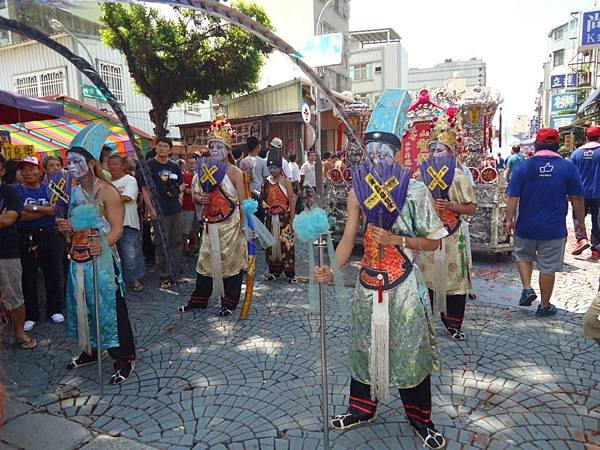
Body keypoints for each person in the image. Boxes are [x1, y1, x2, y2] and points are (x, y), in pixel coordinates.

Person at [314, 93, 448, 448]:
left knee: (410, 351)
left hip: (403, 286)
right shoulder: (358, 191)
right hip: (367, 282)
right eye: (370, 153)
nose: (376, 159)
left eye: (383, 153)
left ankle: (421, 420)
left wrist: (397, 239)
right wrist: (332, 268)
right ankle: (362, 408)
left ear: (398, 153)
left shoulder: (416, 191)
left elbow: (435, 243)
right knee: (363, 347)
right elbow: (347, 240)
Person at [57, 123, 136, 384]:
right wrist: (68, 228)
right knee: (84, 305)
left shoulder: (108, 191)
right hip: (78, 258)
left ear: (90, 164)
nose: (70, 166)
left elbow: (117, 230)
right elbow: (76, 225)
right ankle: (90, 349)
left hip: (102, 260)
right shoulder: (75, 191)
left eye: (76, 161)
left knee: (111, 307)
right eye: (68, 161)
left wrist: (102, 244)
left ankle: (123, 358)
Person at [505, 128, 587, 317]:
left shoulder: (523, 167)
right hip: (554, 227)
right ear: (557, 145)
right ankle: (544, 305)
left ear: (536, 144)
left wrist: (509, 220)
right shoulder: (567, 167)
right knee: (548, 267)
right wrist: (580, 222)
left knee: (523, 256)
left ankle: (526, 288)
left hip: (526, 225)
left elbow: (512, 197)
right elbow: (576, 197)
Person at [178, 117, 247, 317]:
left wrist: (244, 227)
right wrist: (201, 198)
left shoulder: (235, 172)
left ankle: (229, 301)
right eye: (212, 146)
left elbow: (242, 202)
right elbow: (196, 194)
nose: (215, 150)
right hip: (210, 224)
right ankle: (200, 299)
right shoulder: (204, 170)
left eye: (219, 146)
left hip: (231, 224)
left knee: (231, 263)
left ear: (227, 148)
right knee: (205, 262)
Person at [418, 111, 477, 341]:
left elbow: (471, 207)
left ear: (451, 152)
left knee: (454, 279)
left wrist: (450, 205)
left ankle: (453, 323)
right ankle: (425, 319)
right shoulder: (423, 176)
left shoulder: (460, 176)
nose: (435, 153)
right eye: (432, 149)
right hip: (431, 234)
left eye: (440, 149)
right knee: (427, 277)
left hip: (453, 236)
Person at [16, 156, 64, 331]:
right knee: (28, 275)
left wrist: (33, 208)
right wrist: (45, 212)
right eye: (25, 169)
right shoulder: (16, 191)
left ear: (40, 171)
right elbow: (20, 214)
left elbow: (56, 209)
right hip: (25, 235)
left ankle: (55, 309)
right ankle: (31, 314)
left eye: (32, 169)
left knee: (53, 271)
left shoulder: (49, 188)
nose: (28, 172)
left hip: (49, 234)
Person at [0, 155, 37, 349]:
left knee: (13, 295)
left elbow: (8, 220)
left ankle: (20, 332)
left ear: (2, 170)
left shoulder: (10, 193)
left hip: (6, 251)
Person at [141, 137, 184, 290]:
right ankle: (164, 276)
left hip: (175, 210)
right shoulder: (149, 166)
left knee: (177, 242)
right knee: (161, 244)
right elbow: (144, 190)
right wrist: (151, 209)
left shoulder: (174, 166)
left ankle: (175, 273)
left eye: (166, 146)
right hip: (159, 211)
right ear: (156, 147)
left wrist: (178, 196)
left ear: (170, 150)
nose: (162, 148)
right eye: (160, 145)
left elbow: (182, 184)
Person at [108, 154, 145, 292]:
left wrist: (108, 199)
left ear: (123, 165)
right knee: (115, 255)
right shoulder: (107, 182)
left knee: (131, 253)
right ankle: (119, 280)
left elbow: (127, 198)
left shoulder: (130, 180)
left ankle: (135, 279)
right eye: (110, 164)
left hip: (128, 223)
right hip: (111, 224)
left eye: (115, 164)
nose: (112, 167)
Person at [261, 145, 296, 283]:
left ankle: (290, 273)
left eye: (275, 168)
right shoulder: (267, 182)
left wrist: (292, 220)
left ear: (280, 168)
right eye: (270, 168)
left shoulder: (286, 181)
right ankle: (274, 271)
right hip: (271, 216)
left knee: (286, 244)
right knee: (272, 245)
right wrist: (265, 206)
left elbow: (291, 202)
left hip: (284, 218)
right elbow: (263, 198)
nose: (273, 171)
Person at [570, 125, 600, 259]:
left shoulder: (576, 153)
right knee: (597, 220)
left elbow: (571, 175)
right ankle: (596, 249)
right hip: (598, 192)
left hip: (579, 194)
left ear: (587, 137)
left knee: (578, 217)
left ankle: (581, 239)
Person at [238, 136, 268, 222]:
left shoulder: (242, 162)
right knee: (260, 221)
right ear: (257, 147)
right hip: (259, 195)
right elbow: (266, 180)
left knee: (249, 221)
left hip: (246, 196)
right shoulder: (262, 162)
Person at [182, 155, 199, 255]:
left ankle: (196, 246)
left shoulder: (199, 176)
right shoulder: (184, 176)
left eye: (193, 163)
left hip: (198, 207)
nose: (192, 165)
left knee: (196, 229)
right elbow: (186, 190)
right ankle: (185, 248)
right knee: (186, 229)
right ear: (187, 164)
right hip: (187, 207)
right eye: (190, 163)